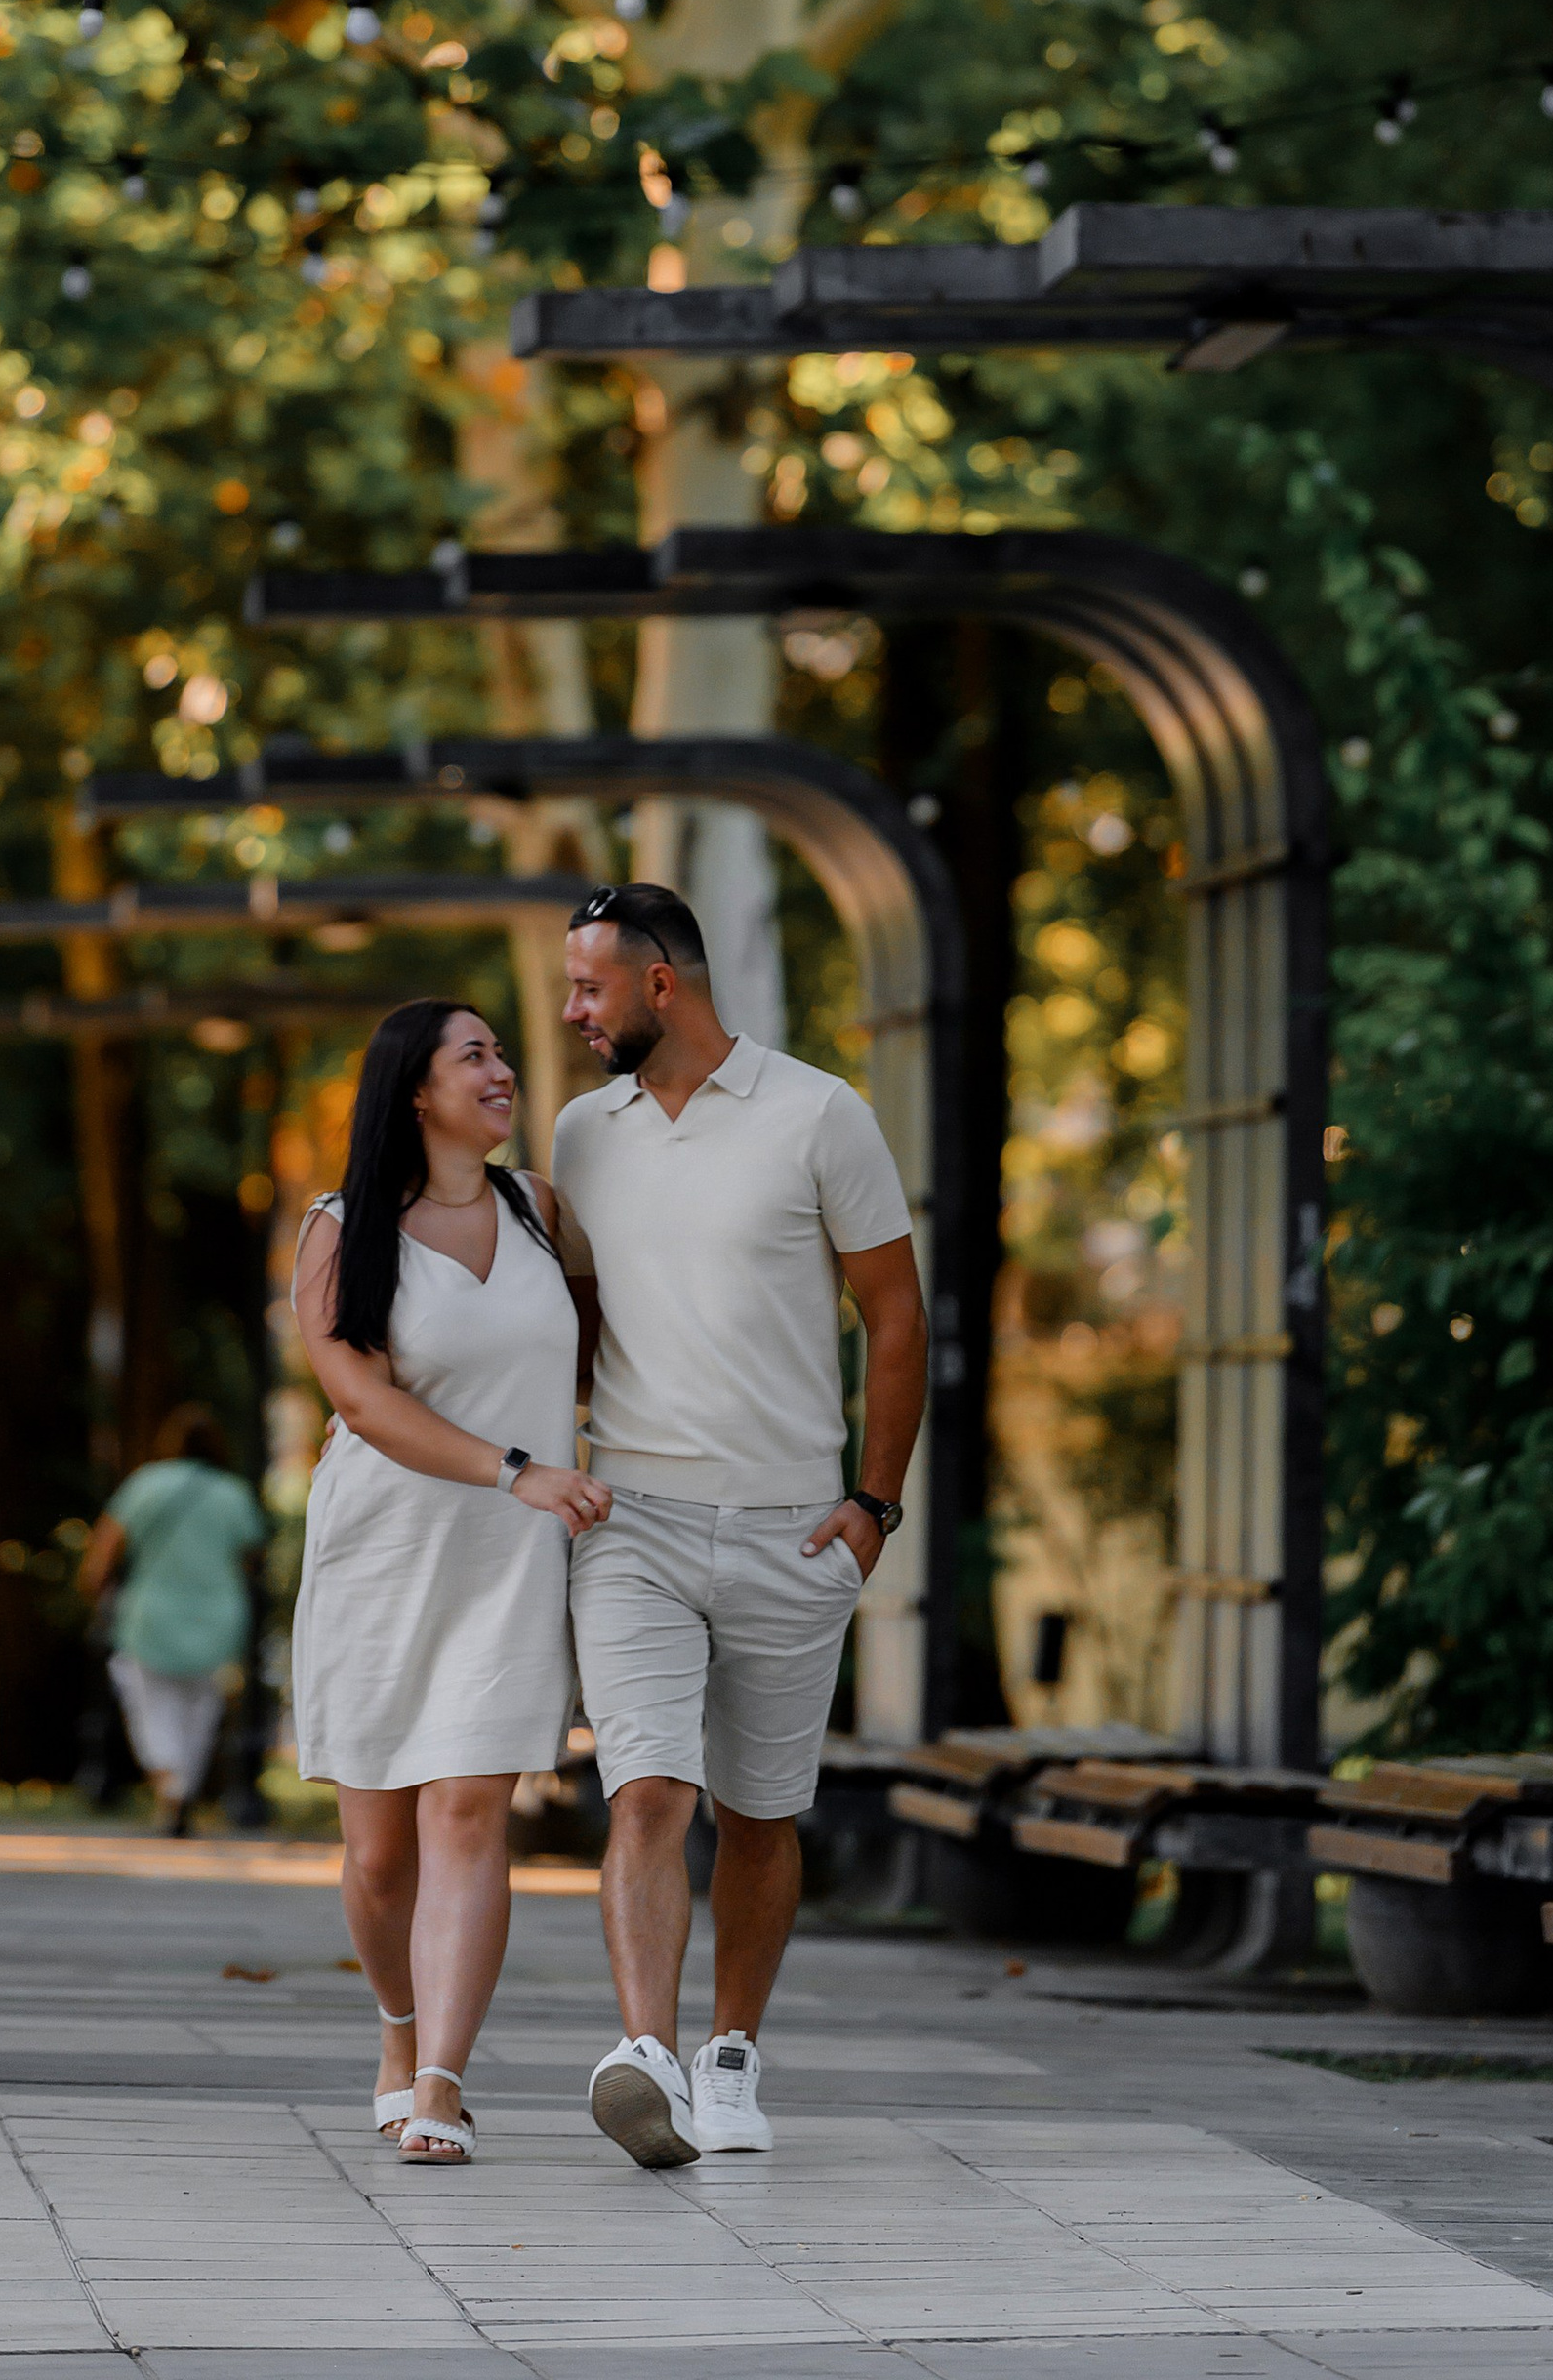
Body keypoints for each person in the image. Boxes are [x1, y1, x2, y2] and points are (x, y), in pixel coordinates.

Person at [554, 880, 928, 2169]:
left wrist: (874, 1502)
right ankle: (646, 2053)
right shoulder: (580, 1130)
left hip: (793, 1523)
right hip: (633, 1514)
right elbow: (577, 1320)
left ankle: (727, 2050)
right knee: (648, 1786)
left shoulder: (822, 1111)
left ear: (662, 982)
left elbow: (896, 1313)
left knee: (761, 1811)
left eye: (588, 986)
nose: (570, 1011)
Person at [290, 999, 606, 2166]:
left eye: (499, 1051)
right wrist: (512, 1466)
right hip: (383, 1548)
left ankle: (439, 2082)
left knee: (469, 1811)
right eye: (472, 1054)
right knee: (379, 1852)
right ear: (415, 1092)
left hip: (508, 1556)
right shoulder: (340, 1229)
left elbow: (603, 1345)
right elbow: (362, 1402)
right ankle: (396, 2026)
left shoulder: (540, 1209)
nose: (502, 1069)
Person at [76, 1403, 266, 1839]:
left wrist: (94, 1592)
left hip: (151, 1612)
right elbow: (251, 1557)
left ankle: (170, 1787)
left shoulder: (145, 1485)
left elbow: (105, 1551)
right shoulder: (232, 1493)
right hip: (216, 1614)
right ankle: (182, 1788)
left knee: (149, 1706)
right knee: (200, 1710)